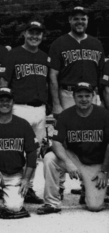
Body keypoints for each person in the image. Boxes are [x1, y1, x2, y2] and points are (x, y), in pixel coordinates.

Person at [37, 82, 109, 214]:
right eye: (80, 96)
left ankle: (87, 190)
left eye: (87, 96)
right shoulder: (66, 115)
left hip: (95, 163)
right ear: (74, 96)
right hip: (74, 158)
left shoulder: (104, 115)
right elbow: (56, 142)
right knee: (50, 158)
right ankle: (52, 203)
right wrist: (68, 162)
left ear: (93, 96)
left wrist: (104, 170)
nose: (84, 99)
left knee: (95, 206)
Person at [0, 21, 48, 204]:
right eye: (31, 32)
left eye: (38, 33)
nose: (35, 36)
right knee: (15, 149)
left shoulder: (45, 56)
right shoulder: (14, 54)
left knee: (33, 151)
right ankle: (7, 185)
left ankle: (28, 188)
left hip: (40, 109)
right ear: (25, 34)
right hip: (19, 107)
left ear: (42, 36)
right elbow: (4, 82)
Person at [49, 6, 105, 115]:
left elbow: (101, 74)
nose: (80, 22)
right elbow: (52, 76)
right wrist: (56, 104)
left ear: (87, 20)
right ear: (70, 20)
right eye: (76, 19)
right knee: (69, 129)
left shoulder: (96, 44)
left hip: (90, 94)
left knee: (89, 129)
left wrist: (102, 101)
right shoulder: (58, 43)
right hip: (67, 95)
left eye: (83, 19)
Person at [0, 88, 38, 219]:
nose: (4, 103)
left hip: (14, 174)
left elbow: (32, 152)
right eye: (1, 100)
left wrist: (26, 179)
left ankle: (6, 196)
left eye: (7, 100)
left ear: (13, 102)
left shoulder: (22, 124)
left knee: (14, 208)